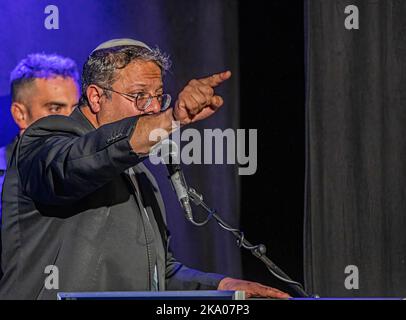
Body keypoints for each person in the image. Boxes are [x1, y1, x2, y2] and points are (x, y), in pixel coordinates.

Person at [0, 39, 289, 299]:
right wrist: (171, 118)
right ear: (97, 97)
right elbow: (76, 164)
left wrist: (223, 287)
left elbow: (159, 274)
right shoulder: (42, 140)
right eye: (139, 96)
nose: (152, 108)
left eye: (158, 96)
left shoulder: (140, 175)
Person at [0, 53, 80, 280]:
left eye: (74, 109)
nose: (69, 121)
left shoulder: (92, 174)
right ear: (20, 114)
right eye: (55, 109)